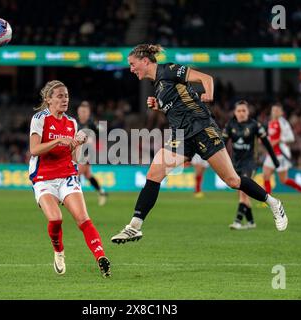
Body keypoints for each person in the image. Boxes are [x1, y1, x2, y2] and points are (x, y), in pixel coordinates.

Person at [111, 44, 288, 244]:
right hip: (182, 136)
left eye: (133, 65)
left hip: (202, 128)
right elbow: (178, 106)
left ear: (145, 61)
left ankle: (273, 203)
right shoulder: (158, 85)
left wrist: (209, 93)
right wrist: (159, 107)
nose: (131, 69)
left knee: (233, 181)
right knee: (153, 174)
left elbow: (206, 79)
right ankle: (134, 227)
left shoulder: (168, 70)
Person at [28, 80, 111, 277]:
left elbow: (76, 158)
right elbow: (34, 149)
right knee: (56, 219)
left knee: (83, 219)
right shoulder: (40, 118)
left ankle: (101, 257)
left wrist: (78, 143)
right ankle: (58, 252)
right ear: (48, 99)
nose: (64, 99)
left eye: (66, 96)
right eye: (59, 96)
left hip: (67, 175)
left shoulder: (71, 123)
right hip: (43, 177)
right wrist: (58, 140)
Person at [223, 100, 280, 230]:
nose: (241, 113)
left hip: (250, 163)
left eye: (244, 110)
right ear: (234, 112)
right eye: (239, 111)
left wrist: (275, 160)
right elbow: (222, 143)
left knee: (243, 193)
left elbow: (266, 143)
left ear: (248, 112)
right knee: (241, 194)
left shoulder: (255, 125)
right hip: (235, 163)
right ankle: (251, 222)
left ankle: (237, 221)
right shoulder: (230, 125)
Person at [262, 104, 301, 204]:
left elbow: (291, 138)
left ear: (281, 112)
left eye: (277, 110)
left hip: (281, 155)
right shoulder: (270, 122)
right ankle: (268, 201)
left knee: (283, 180)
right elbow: (271, 137)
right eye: (273, 110)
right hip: (271, 154)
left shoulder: (283, 123)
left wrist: (278, 140)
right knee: (266, 175)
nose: (274, 112)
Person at [76, 101, 108, 206]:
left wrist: (92, 138)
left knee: (76, 174)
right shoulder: (76, 123)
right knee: (88, 175)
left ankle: (76, 197)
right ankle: (102, 192)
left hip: (88, 153)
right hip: (78, 152)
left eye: (85, 111)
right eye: (81, 111)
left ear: (88, 113)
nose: (83, 113)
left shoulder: (91, 124)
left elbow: (102, 131)